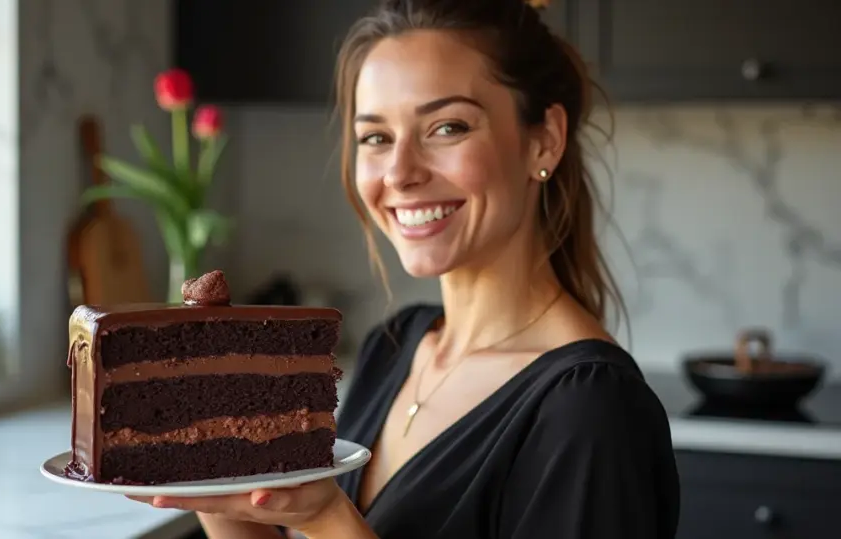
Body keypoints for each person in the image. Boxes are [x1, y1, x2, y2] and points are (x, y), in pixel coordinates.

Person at [129, 0, 680, 537]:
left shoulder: (591, 410)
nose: (399, 172)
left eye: (447, 127)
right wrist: (207, 467)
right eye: (375, 137)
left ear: (544, 140)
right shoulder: (394, 347)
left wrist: (327, 519)